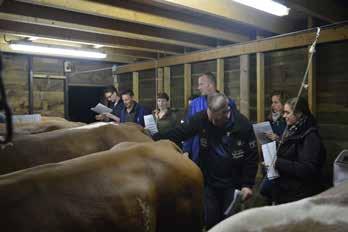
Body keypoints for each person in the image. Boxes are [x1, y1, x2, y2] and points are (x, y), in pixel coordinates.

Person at [153, 93, 258, 229]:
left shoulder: (242, 125)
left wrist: (247, 184)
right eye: (209, 117)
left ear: (226, 112)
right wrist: (153, 138)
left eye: (215, 120)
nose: (211, 121)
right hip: (209, 181)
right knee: (211, 222)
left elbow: (252, 156)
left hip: (233, 183)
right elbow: (180, 132)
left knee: (230, 224)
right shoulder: (203, 118)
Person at [265, 97, 326, 204]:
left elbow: (307, 169)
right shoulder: (293, 130)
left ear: (299, 114)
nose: (284, 116)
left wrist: (277, 162)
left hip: (300, 196)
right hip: (287, 191)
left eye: (287, 113)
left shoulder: (310, 137)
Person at [183, 72, 236, 163]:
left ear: (210, 85)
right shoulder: (194, 104)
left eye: (201, 84)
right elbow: (188, 128)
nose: (198, 87)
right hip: (198, 154)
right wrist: (186, 150)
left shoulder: (228, 102)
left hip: (221, 154)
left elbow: (234, 128)